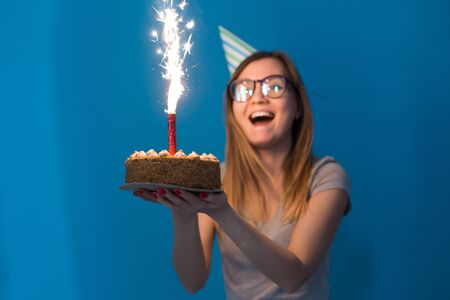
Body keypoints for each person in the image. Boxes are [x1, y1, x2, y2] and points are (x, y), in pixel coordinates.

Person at [133, 51, 351, 299]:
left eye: (274, 86)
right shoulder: (216, 178)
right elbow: (192, 281)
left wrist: (222, 212)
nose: (257, 98)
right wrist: (183, 213)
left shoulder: (326, 177)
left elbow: (293, 276)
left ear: (298, 105)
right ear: (232, 111)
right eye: (244, 90)